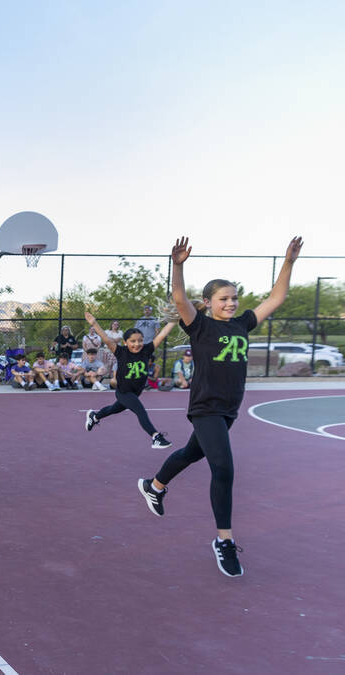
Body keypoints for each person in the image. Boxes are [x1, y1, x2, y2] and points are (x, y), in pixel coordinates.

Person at [138, 236, 303, 578]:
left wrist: (288, 261)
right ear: (210, 302)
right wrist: (178, 265)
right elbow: (179, 297)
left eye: (234, 298)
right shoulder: (199, 326)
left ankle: (153, 485)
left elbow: (277, 297)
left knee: (190, 453)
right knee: (223, 469)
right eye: (224, 299)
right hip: (206, 407)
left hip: (229, 409)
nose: (231, 303)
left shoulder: (242, 323)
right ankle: (224, 540)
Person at [83, 311, 177, 448]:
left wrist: (175, 319)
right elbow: (107, 339)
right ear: (125, 342)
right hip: (124, 392)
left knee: (113, 409)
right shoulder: (121, 352)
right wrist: (94, 323)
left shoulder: (146, 350)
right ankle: (156, 437)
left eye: (140, 340)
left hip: (135, 392)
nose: (137, 344)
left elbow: (162, 335)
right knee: (140, 411)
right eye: (133, 341)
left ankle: (94, 416)